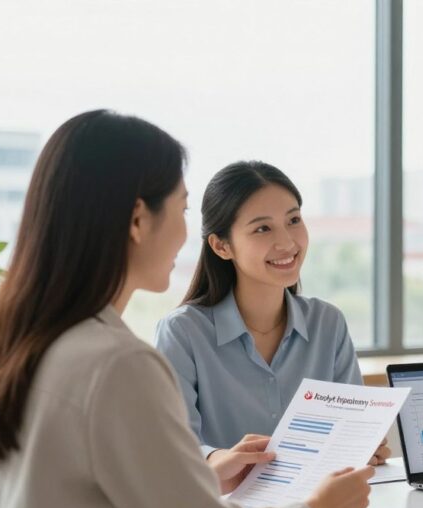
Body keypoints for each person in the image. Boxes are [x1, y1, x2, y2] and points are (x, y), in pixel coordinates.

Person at [0, 110, 374, 508]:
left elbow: (97, 494)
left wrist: (206, 476)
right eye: (183, 208)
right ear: (137, 220)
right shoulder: (118, 364)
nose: (187, 233)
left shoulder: (32, 342)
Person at [154, 161, 390, 471]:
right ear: (221, 246)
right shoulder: (183, 332)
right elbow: (174, 448)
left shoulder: (327, 323)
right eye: (263, 228)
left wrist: (362, 446)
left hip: (321, 506)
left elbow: (349, 431)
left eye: (293, 220)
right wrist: (218, 459)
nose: (287, 243)